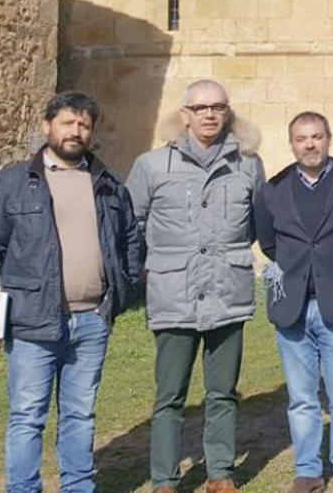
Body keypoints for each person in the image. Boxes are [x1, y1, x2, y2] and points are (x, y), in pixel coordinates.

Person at [0, 91, 142, 493]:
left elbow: (131, 239)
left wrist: (121, 293)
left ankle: (79, 486)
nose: (75, 131)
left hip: (91, 320)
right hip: (31, 320)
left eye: (83, 125)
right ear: (48, 126)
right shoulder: (14, 182)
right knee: (28, 414)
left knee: (81, 414)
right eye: (67, 122)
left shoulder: (108, 182)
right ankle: (24, 489)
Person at [126, 79, 267, 493]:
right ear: (184, 114)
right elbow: (131, 225)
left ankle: (220, 471)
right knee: (170, 396)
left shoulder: (249, 164)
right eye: (200, 107)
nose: (209, 114)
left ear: (228, 113)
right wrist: (147, 275)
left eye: (217, 107)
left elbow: (258, 224)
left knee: (223, 392)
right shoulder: (151, 166)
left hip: (228, 292)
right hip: (174, 295)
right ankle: (165, 478)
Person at [255, 112, 333, 493]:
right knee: (301, 399)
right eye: (301, 138)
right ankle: (308, 471)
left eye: (316, 137)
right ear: (291, 143)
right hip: (292, 308)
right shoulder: (273, 189)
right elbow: (269, 241)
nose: (309, 144)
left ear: (328, 139)